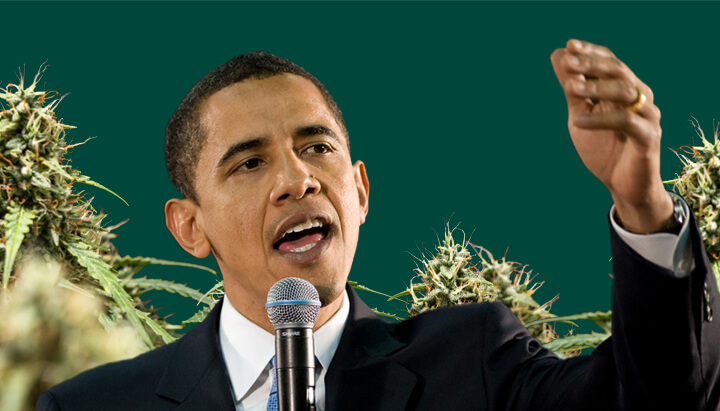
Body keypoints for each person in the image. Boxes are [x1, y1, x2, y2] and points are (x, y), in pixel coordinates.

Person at [37, 39, 720, 410]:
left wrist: (644, 206)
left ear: (359, 191)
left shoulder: (473, 361)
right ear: (190, 227)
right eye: (248, 163)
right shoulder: (92, 405)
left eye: (317, 148)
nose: (297, 179)